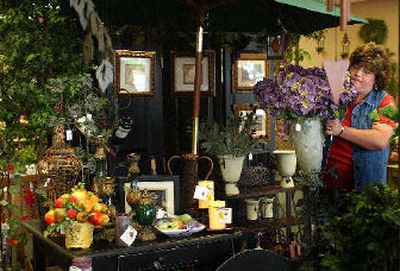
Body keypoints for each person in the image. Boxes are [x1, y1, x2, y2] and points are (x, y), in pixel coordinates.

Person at [324, 42, 397, 191]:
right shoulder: (336, 96)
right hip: (327, 187)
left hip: (362, 193)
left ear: (377, 78)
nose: (358, 74)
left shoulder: (384, 101)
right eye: (356, 67)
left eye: (367, 72)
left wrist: (342, 130)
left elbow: (380, 140)